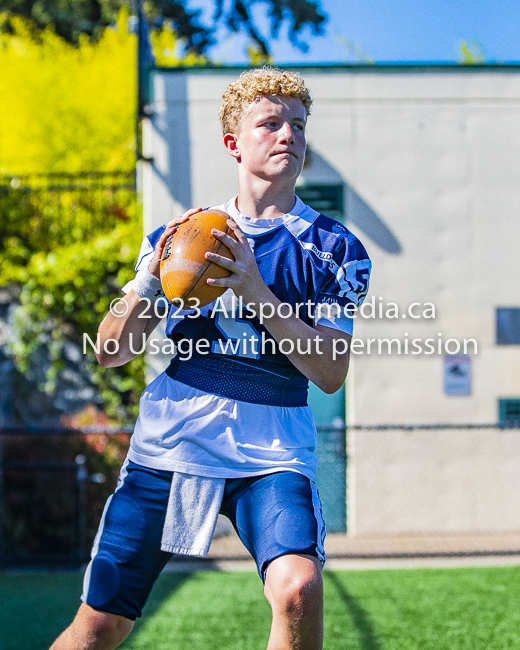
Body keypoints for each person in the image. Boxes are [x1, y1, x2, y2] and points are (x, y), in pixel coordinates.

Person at [50, 67, 371, 650]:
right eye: (270, 123)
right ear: (234, 143)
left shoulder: (335, 248)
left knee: (299, 588)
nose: (288, 136)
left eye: (297, 125)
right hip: (173, 444)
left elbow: (330, 373)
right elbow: (111, 352)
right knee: (100, 626)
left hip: (270, 452)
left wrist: (255, 292)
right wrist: (150, 278)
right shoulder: (178, 236)